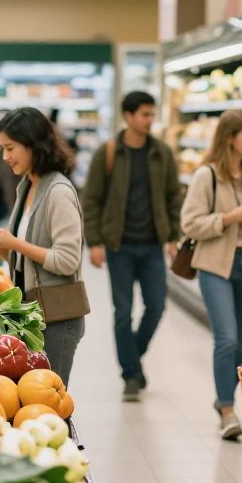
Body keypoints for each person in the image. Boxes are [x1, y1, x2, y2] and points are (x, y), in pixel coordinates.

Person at [81, 91, 182, 401]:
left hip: (152, 245)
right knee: (123, 312)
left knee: (157, 306)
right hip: (119, 246)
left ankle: (132, 360)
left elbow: (173, 196)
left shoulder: (162, 153)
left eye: (152, 115)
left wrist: (173, 236)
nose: (150, 120)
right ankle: (130, 375)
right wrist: (95, 241)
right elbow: (92, 199)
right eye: (144, 115)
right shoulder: (108, 153)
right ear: (128, 116)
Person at [0, 107, 86, 385]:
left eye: (10, 148)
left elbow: (67, 261)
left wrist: (15, 243)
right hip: (33, 313)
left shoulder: (59, 192)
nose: (5, 157)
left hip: (58, 317)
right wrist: (0, 244)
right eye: (3, 148)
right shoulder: (27, 185)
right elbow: (23, 257)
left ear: (33, 144)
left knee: (49, 394)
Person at [180, 109, 242, 440]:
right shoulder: (207, 176)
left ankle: (223, 401)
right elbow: (190, 223)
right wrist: (231, 217)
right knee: (226, 338)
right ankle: (227, 408)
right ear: (230, 137)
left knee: (241, 344)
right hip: (216, 265)